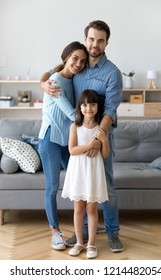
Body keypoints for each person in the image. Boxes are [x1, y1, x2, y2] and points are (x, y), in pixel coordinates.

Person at [40, 20, 124, 253]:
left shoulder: (112, 73)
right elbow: (52, 70)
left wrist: (98, 139)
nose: (95, 44)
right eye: (91, 39)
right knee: (82, 185)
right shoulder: (79, 64)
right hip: (78, 135)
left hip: (101, 135)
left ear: (107, 42)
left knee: (107, 186)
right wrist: (43, 83)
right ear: (85, 38)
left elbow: (110, 110)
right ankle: (84, 235)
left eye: (100, 40)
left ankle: (113, 232)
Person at [38, 41, 91, 251]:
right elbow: (70, 112)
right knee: (52, 187)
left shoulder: (74, 78)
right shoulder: (55, 80)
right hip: (50, 139)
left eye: (82, 61)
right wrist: (94, 124)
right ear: (66, 57)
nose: (78, 64)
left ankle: (86, 226)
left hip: (68, 141)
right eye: (75, 58)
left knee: (79, 184)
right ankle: (55, 232)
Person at [62, 89, 110, 258]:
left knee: (91, 207)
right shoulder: (75, 126)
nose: (88, 108)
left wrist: (103, 140)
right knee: (78, 207)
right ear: (79, 107)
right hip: (78, 170)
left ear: (98, 106)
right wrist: (91, 145)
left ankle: (91, 244)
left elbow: (105, 154)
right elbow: (72, 150)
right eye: (84, 104)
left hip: (93, 171)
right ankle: (78, 242)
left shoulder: (101, 128)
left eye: (92, 104)